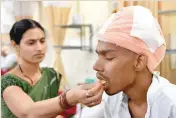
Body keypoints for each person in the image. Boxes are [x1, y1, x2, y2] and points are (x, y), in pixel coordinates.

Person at [1, 19, 104, 118]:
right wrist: (70, 97)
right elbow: (28, 113)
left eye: (42, 41)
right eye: (31, 43)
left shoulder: (51, 75)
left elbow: (51, 112)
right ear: (15, 45)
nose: (39, 48)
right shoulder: (8, 81)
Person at [91, 6, 176, 118]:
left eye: (109, 57)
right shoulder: (112, 101)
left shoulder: (171, 104)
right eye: (98, 56)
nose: (96, 66)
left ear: (139, 61)